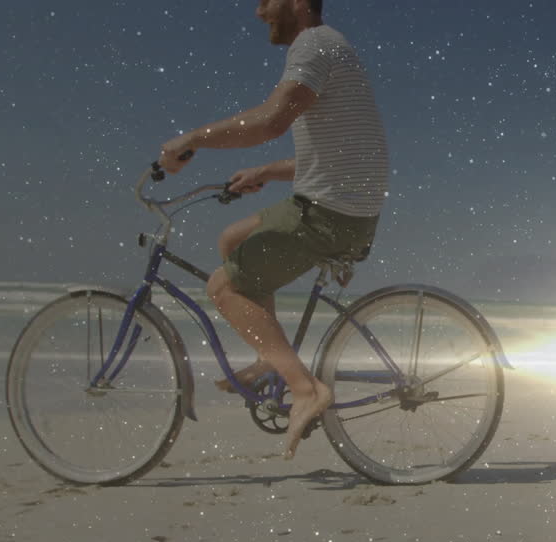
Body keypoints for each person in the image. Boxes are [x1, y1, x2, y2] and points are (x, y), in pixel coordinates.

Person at [158, 0, 389, 457]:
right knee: (231, 240)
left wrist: (192, 139)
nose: (259, 12)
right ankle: (271, 358)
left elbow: (271, 119)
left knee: (225, 287)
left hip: (329, 213)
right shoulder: (328, 46)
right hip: (338, 205)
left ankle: (305, 389)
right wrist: (264, 171)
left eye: (267, 1)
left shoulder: (313, 45)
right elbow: (329, 154)